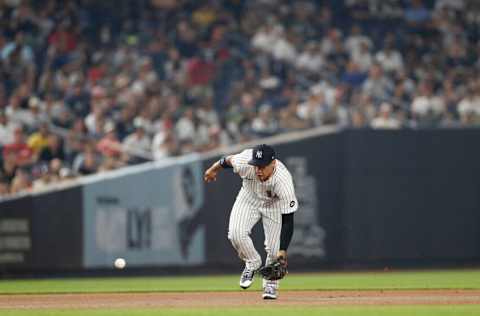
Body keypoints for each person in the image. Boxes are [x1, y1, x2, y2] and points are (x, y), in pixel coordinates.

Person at [203, 144, 298, 300]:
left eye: (262, 166)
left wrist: (283, 251)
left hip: (273, 205)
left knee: (275, 251)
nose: (258, 170)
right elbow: (226, 161)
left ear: (273, 163)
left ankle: (271, 285)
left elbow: (288, 219)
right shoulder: (244, 161)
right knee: (235, 234)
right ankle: (252, 262)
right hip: (249, 198)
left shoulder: (283, 181)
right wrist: (213, 169)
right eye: (256, 165)